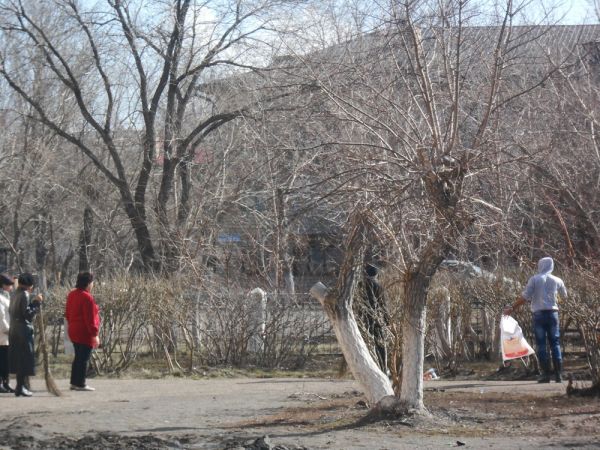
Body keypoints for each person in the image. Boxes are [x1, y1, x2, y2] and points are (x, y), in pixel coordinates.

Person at [505, 257, 567, 383]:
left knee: (541, 344)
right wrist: (555, 301)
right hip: (553, 314)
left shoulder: (534, 279)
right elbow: (565, 297)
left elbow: (525, 297)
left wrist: (512, 307)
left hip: (539, 315)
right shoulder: (558, 280)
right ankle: (558, 375)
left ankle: (545, 375)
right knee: (555, 343)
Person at [8, 273, 43, 397]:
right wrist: (36, 303)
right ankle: (21, 387)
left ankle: (20, 387)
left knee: (19, 359)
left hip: (14, 329)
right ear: (29, 285)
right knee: (24, 359)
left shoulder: (14, 294)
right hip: (23, 330)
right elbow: (28, 315)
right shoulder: (24, 294)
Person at [65, 272, 100, 391]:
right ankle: (80, 383)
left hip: (73, 329)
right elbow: (90, 319)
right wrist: (95, 335)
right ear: (88, 283)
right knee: (84, 358)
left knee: (78, 357)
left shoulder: (72, 294)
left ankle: (74, 382)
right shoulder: (87, 297)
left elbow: (67, 313)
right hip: (84, 332)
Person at [0, 273, 16, 393]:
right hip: (3, 334)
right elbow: (1, 316)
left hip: (6, 334)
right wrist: (7, 329)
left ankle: (6, 382)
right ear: (3, 285)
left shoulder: (5, 296)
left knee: (6, 361)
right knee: (2, 360)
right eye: (9, 285)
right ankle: (1, 383)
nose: (11, 287)